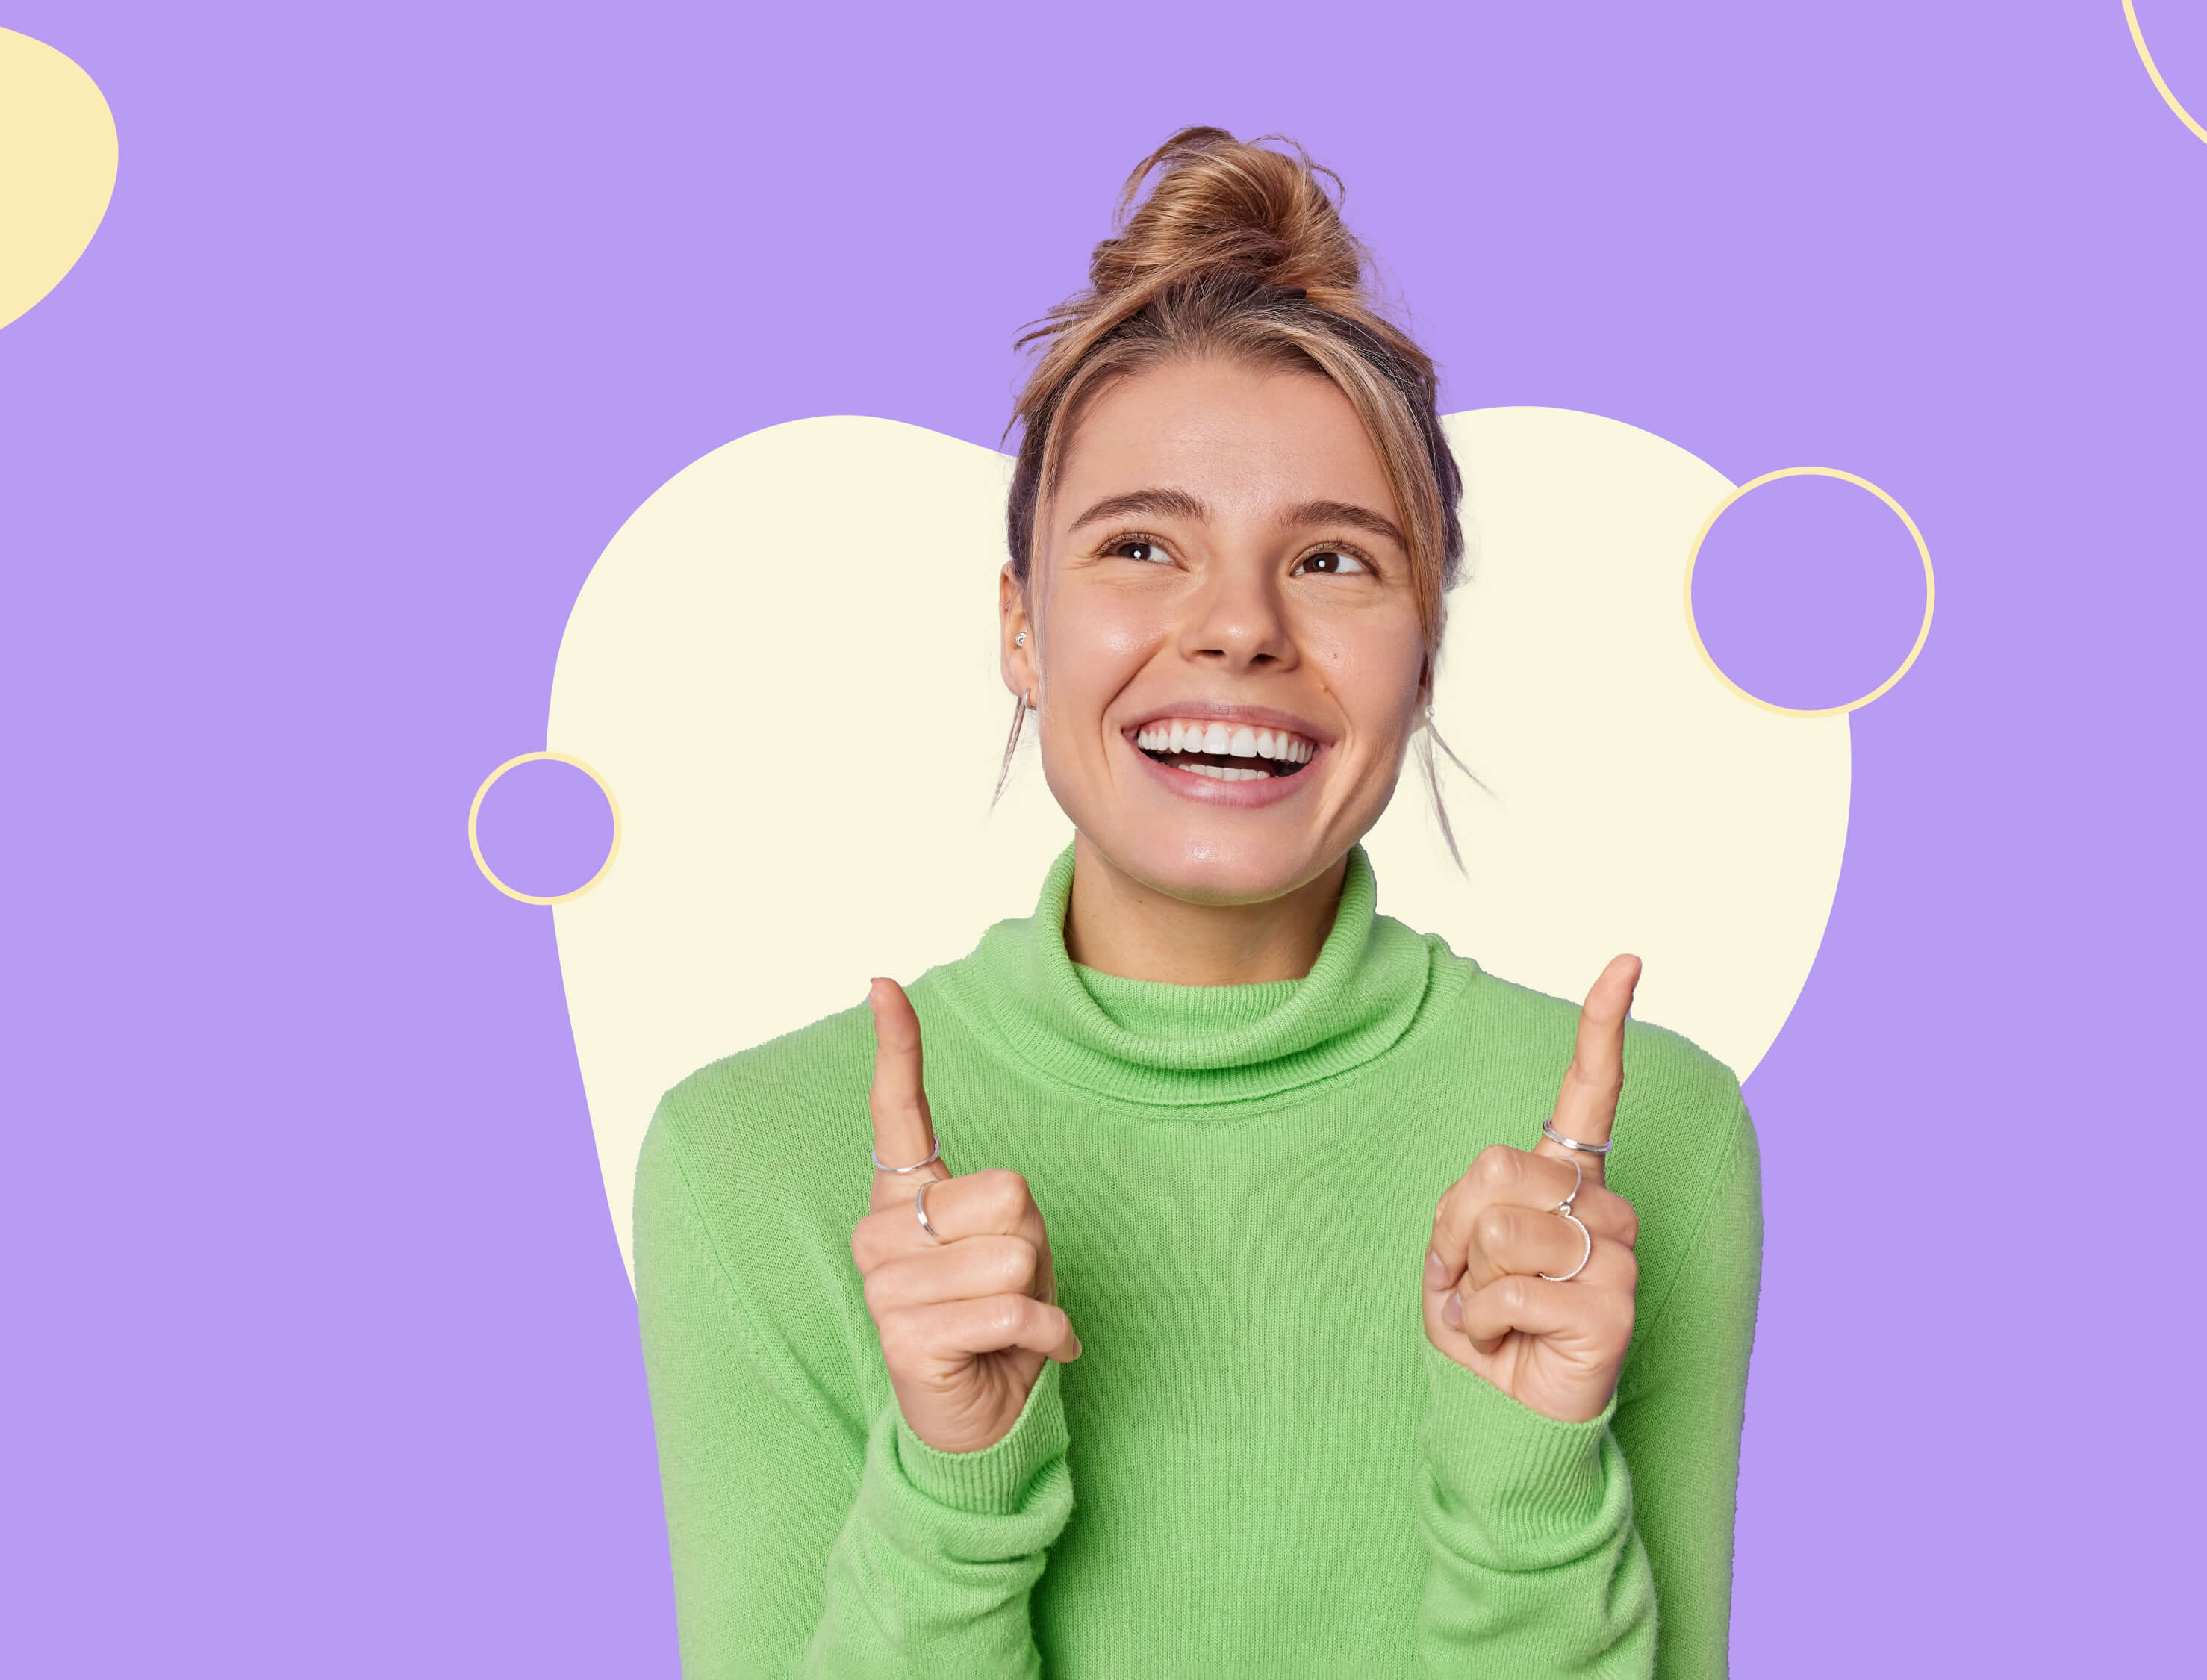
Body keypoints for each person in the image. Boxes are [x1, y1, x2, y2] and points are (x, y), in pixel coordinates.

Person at [632, 126, 1763, 1678]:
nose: (1235, 626)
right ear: (1020, 627)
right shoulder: (747, 1159)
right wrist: (955, 1488)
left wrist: (1530, 1491)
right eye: (1141, 545)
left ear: (1423, 656)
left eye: (1333, 561)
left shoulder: (1643, 1163)